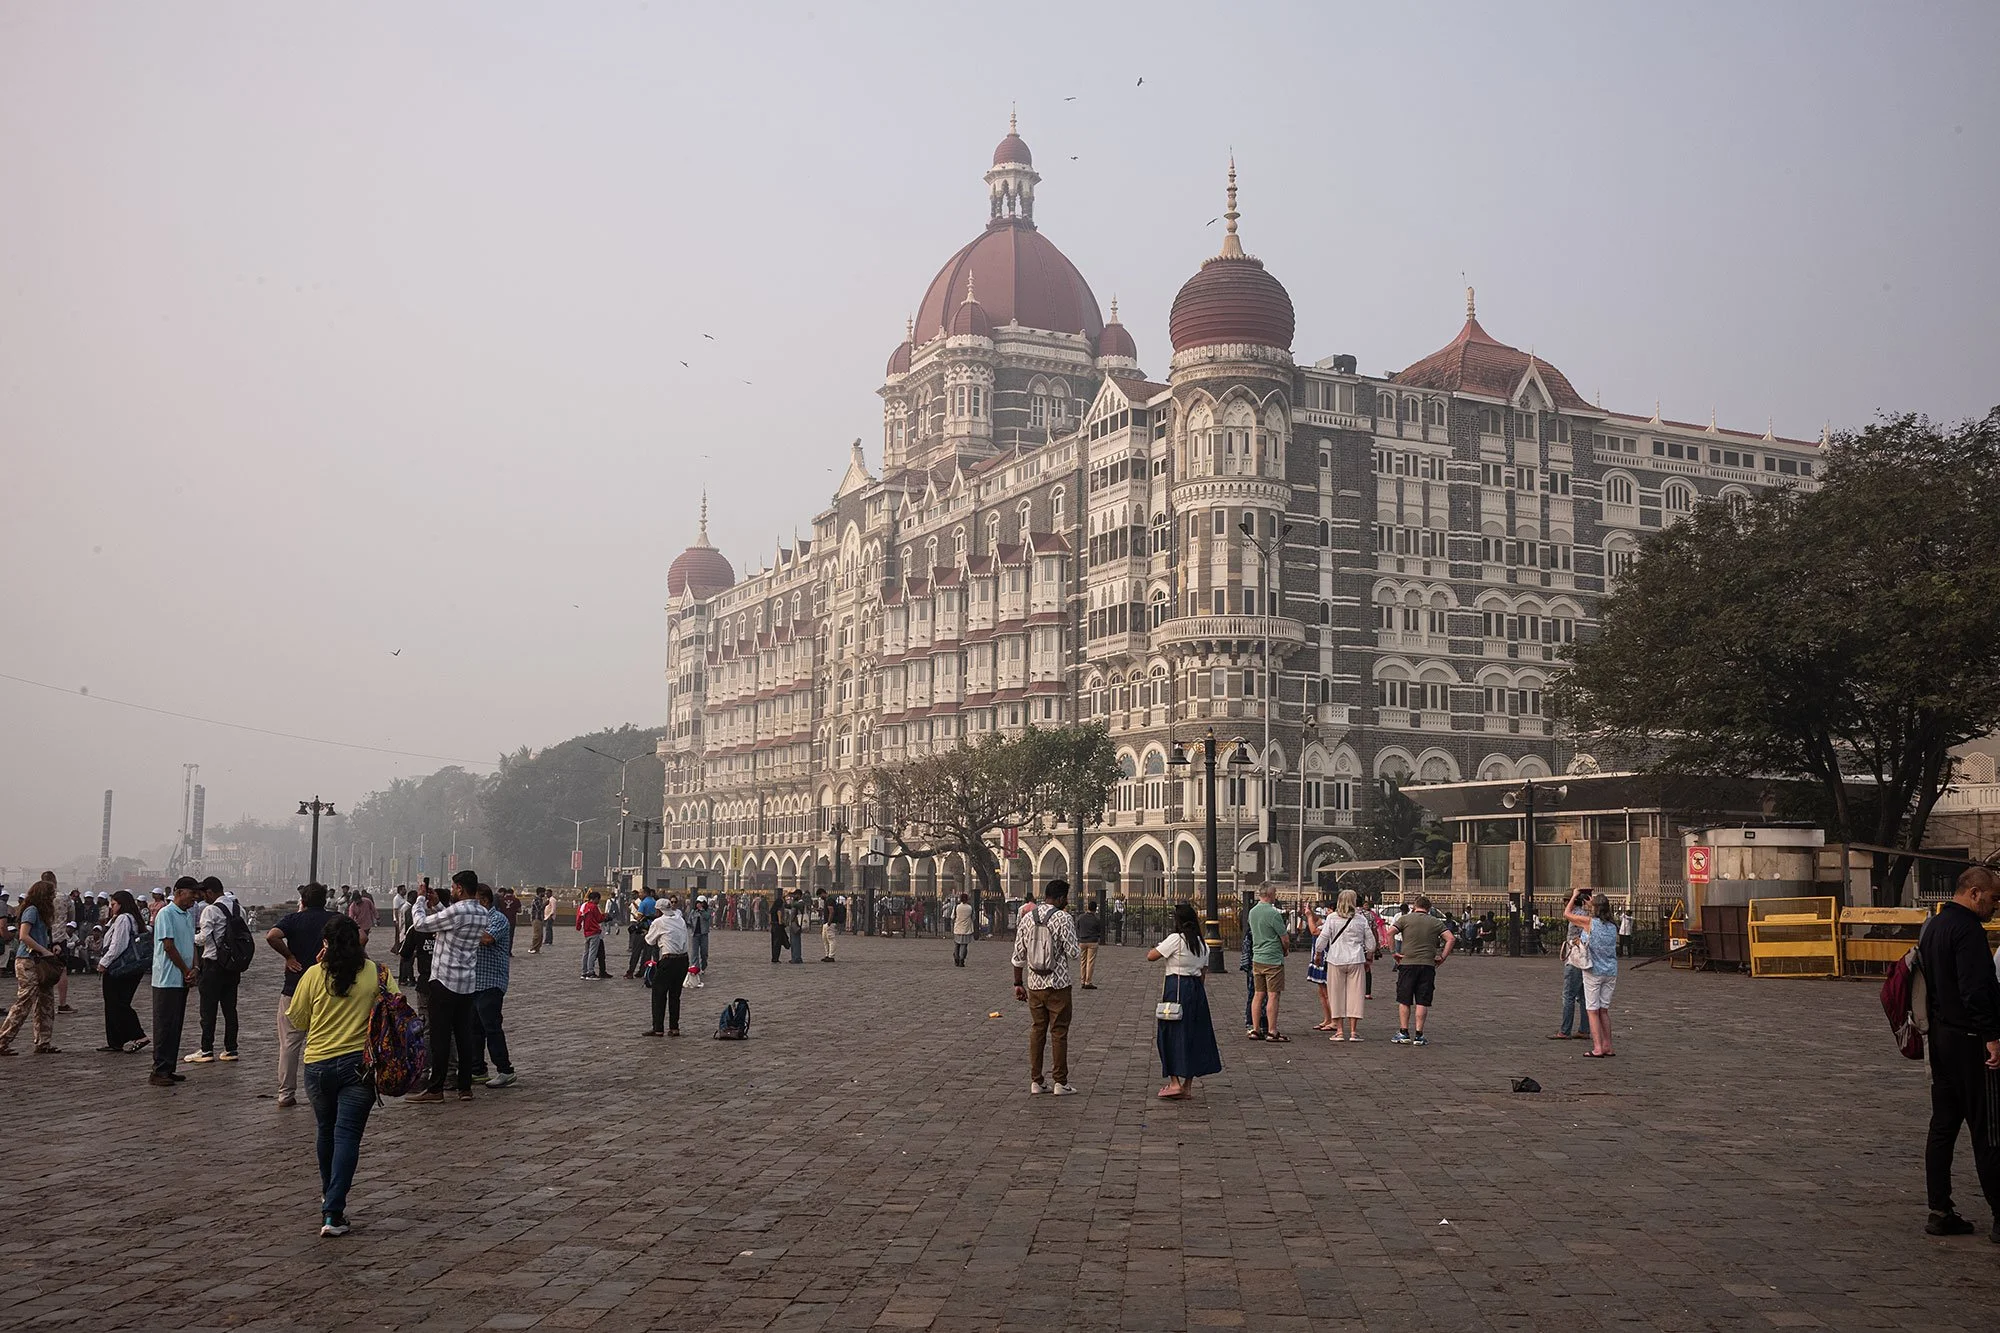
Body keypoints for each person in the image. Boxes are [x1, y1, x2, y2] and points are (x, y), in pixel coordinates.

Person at [286, 914, 393, 1237]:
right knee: (347, 1136)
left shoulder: (314, 975)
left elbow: (298, 1020)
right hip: (358, 1067)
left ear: (325, 944)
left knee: (326, 1130)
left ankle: (328, 1191)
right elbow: (394, 1006)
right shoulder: (376, 973)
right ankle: (333, 1211)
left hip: (317, 1065)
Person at [1916, 865, 2000, 1239]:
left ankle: (1939, 1209)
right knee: (1989, 1128)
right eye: (1994, 898)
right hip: (1970, 1039)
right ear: (1976, 893)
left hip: (1941, 1037)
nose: (1995, 906)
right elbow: (1976, 989)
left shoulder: (1933, 926)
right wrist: (1992, 1036)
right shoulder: (1968, 931)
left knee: (1943, 1126)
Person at [406, 871, 491, 1102]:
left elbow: (421, 924)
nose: (451, 890)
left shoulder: (456, 911)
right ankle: (465, 1087)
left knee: (440, 1036)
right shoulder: (482, 912)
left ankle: (436, 1089)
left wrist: (421, 900)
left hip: (444, 980)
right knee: (463, 1035)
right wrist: (439, 904)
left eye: (453, 887)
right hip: (467, 980)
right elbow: (451, 919)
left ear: (460, 888)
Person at [266, 882, 340, 1108]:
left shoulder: (293, 920)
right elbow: (361, 938)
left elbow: (272, 936)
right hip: (327, 989)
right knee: (326, 1042)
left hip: (294, 987)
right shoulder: (335, 919)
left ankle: (286, 1093)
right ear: (324, 900)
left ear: (303, 901)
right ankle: (323, 1091)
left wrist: (288, 956)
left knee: (289, 1044)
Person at [1011, 878, 1079, 1095]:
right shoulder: (1063, 918)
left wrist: (1018, 983)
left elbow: (1018, 955)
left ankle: (1036, 1080)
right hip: (1058, 983)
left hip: (1035, 984)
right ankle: (1060, 1081)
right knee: (1059, 1032)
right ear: (1060, 898)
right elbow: (1074, 953)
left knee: (1037, 1030)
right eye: (1065, 898)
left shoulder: (1028, 917)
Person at [1148, 902, 1221, 1099]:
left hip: (1176, 987)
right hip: (1196, 990)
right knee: (1193, 1036)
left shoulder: (1175, 939)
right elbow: (1203, 973)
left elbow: (1151, 956)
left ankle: (1174, 1082)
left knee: (1170, 1034)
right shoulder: (1202, 943)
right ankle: (1187, 1085)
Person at [0, 875, 64, 1055]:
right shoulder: (32, 910)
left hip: (39, 960)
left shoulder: (41, 913)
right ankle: (3, 1040)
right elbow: (24, 936)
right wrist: (44, 951)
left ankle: (43, 1041)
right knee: (24, 1002)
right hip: (28, 960)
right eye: (51, 894)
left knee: (46, 1002)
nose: (53, 897)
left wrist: (51, 947)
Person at [187, 876, 244, 1065]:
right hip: (232, 965)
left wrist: (189, 937)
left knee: (208, 1010)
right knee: (230, 1009)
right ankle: (231, 1048)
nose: (203, 897)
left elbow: (203, 938)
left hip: (213, 964)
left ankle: (206, 1049)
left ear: (210, 892)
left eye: (204, 893)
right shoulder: (239, 909)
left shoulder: (210, 910)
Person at [148, 878, 200, 1083]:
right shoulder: (166, 914)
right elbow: (169, 946)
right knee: (164, 1025)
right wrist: (186, 969)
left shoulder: (187, 915)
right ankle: (159, 1069)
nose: (195, 898)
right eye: (192, 893)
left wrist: (195, 968)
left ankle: (169, 1067)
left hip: (182, 978)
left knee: (175, 1025)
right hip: (167, 978)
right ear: (179, 892)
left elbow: (191, 944)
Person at [466, 885, 516, 1088]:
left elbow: (487, 939)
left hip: (492, 982)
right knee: (474, 1029)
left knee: (492, 1027)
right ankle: (478, 1069)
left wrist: (464, 929)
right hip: (475, 982)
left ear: (484, 901)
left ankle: (505, 1069)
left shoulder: (498, 919)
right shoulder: (476, 920)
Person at [1391, 894, 1454, 1047]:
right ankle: (1419, 1034)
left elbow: (1390, 932)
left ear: (1414, 906)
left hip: (1407, 962)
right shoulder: (1435, 922)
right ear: (1429, 908)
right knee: (1422, 1000)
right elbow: (1450, 938)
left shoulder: (1405, 919)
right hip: (1427, 964)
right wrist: (1442, 957)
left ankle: (1404, 1032)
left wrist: (1394, 952)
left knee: (1405, 999)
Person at [1563, 889, 1618, 1058]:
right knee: (1603, 1010)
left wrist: (1574, 896)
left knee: (1592, 1010)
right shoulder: (1612, 926)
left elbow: (1567, 913)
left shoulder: (1589, 923)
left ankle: (1597, 1047)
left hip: (1594, 970)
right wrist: (1592, 903)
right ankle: (1608, 1045)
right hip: (1610, 971)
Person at [94, 890, 149, 1053]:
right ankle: (115, 1040)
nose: (112, 907)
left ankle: (138, 1035)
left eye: (114, 904)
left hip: (119, 966)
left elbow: (117, 945)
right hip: (129, 967)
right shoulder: (129, 919)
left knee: (117, 1003)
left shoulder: (123, 919)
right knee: (116, 1003)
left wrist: (104, 963)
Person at [1323, 890, 1371, 1041]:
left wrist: (1318, 954)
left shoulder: (1331, 918)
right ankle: (1353, 1031)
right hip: (1355, 959)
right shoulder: (1361, 919)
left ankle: (1339, 1031)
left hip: (1336, 958)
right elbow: (1371, 943)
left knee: (1335, 994)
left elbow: (1322, 939)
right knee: (1355, 995)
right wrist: (1369, 957)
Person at [642, 895, 693, 1037]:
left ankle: (658, 1028)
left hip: (668, 960)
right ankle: (674, 1027)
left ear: (659, 911)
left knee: (659, 994)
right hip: (683, 960)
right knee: (675, 995)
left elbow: (650, 941)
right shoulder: (680, 919)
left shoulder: (659, 922)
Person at [1245, 885, 1290, 1042]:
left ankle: (1255, 1029)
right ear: (1270, 895)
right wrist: (1285, 950)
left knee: (1258, 994)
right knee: (1273, 995)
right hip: (1273, 958)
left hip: (1257, 957)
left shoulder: (1252, 912)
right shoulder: (1273, 914)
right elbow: (1284, 938)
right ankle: (1272, 1030)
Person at [1552, 905, 1589, 1041]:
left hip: (1575, 958)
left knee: (1568, 996)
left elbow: (1566, 913)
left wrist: (1573, 897)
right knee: (1583, 996)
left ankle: (1565, 1030)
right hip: (1584, 959)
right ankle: (1584, 1029)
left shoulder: (1577, 914)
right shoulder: (1587, 914)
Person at [625, 887, 656, 978]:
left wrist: (634, 916)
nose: (639, 894)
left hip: (642, 929)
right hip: (651, 929)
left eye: (641, 893)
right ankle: (643, 971)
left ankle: (630, 971)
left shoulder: (643, 903)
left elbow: (639, 917)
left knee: (636, 951)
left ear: (645, 893)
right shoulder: (654, 902)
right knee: (647, 953)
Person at [577, 889, 607, 980]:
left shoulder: (584, 906)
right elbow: (599, 919)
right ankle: (591, 972)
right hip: (594, 932)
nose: (598, 902)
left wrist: (578, 927)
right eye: (598, 899)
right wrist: (605, 916)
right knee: (592, 953)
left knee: (586, 953)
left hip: (586, 932)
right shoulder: (594, 907)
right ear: (595, 899)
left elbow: (579, 917)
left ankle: (584, 972)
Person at [1075, 899, 1103, 990]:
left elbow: (1077, 927)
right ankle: (1088, 981)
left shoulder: (1081, 917)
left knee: (1083, 961)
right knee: (1090, 962)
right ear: (1095, 909)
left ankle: (1082, 981)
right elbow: (1099, 930)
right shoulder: (1096, 919)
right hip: (1092, 941)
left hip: (1082, 941)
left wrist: (1080, 936)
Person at [689, 896, 710, 985]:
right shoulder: (693, 912)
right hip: (695, 934)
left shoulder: (706, 912)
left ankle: (703, 967)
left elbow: (707, 917)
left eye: (701, 903)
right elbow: (689, 920)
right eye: (698, 903)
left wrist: (702, 910)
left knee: (704, 953)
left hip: (704, 934)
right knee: (694, 953)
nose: (699, 904)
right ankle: (695, 968)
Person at [950, 893, 975, 967]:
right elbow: (973, 918)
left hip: (957, 927)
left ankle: (956, 958)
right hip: (966, 928)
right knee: (964, 945)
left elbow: (952, 917)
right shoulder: (970, 907)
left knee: (957, 944)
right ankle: (962, 959)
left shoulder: (957, 907)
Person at [820, 897, 839, 963]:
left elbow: (831, 911)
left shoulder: (829, 901)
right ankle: (827, 955)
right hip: (826, 923)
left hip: (830, 923)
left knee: (831, 939)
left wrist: (829, 922)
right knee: (825, 939)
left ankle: (831, 956)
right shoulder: (828, 900)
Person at [770, 899, 789, 964]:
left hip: (773, 927)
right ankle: (776, 958)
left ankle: (774, 958)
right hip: (778, 928)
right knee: (777, 944)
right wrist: (784, 924)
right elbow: (780, 921)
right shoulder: (779, 911)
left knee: (773, 944)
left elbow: (770, 921)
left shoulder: (772, 911)